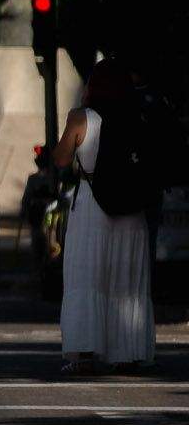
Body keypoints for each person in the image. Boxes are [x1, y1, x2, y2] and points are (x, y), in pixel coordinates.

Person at [52, 61, 155, 376]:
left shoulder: (81, 118)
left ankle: (84, 354)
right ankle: (128, 353)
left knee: (87, 279)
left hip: (92, 205)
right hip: (132, 208)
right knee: (127, 282)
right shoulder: (139, 119)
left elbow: (61, 159)